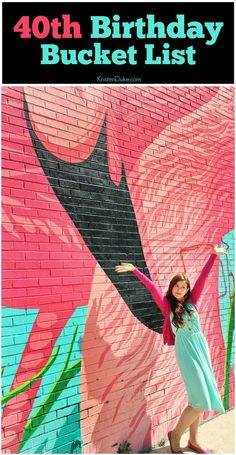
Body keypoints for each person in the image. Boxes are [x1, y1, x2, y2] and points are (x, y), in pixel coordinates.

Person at [115, 245, 227, 454]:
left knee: (198, 399)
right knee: (200, 400)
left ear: (187, 289)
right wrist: (135, 270)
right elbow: (152, 288)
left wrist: (213, 256)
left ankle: (194, 440)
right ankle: (175, 435)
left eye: (183, 287)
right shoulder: (167, 306)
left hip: (201, 350)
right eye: (176, 286)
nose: (179, 289)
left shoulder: (193, 301)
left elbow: (202, 278)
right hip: (186, 353)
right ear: (172, 287)